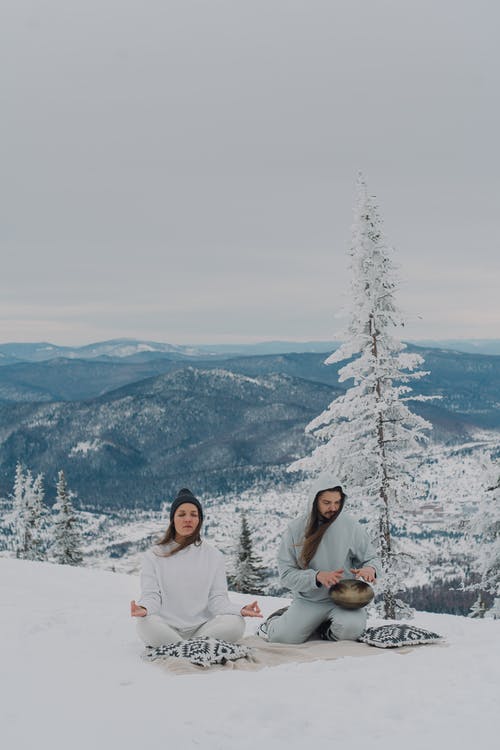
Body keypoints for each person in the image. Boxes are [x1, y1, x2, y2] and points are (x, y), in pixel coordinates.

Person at [131, 487, 262, 646]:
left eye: (194, 515)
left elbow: (217, 600)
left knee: (236, 623)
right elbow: (152, 596)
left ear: (199, 520)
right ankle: (196, 648)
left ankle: (178, 648)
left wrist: (240, 610)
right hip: (165, 628)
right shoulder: (153, 556)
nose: (188, 519)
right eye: (182, 514)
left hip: (203, 629)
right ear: (173, 520)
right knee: (145, 624)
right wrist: (144, 608)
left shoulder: (214, 556)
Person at [265, 472, 380, 644]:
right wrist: (316, 577)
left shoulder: (351, 526)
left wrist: (371, 569)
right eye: (326, 502)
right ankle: (277, 620)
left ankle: (325, 629)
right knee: (281, 638)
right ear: (314, 502)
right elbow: (286, 575)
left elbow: (371, 558)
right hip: (310, 599)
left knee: (351, 630)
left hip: (344, 601)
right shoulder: (295, 529)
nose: (333, 508)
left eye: (337, 502)